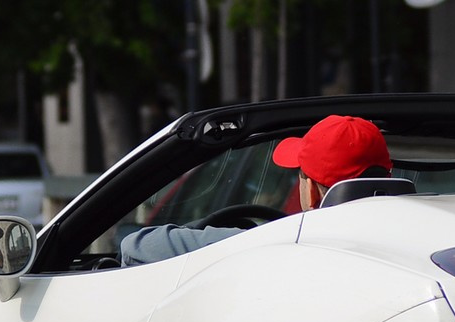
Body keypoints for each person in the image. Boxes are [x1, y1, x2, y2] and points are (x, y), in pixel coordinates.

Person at [121, 114, 393, 266]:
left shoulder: (272, 244)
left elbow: (137, 246)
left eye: (300, 175)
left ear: (310, 192)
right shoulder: (414, 242)